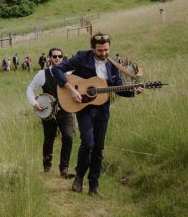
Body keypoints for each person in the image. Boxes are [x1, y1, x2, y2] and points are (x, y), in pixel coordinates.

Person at [53, 33, 143, 195]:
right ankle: (79, 176)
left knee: (98, 148)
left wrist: (133, 92)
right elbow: (57, 69)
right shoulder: (82, 57)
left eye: (106, 50)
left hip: (103, 109)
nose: (104, 54)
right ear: (93, 48)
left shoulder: (113, 65)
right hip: (84, 106)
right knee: (88, 143)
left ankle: (94, 186)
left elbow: (118, 87)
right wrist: (71, 89)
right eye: (100, 50)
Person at [26, 48, 75, 179]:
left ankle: (64, 169)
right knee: (49, 139)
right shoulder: (42, 74)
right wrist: (34, 103)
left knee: (68, 137)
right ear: (49, 58)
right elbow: (30, 88)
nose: (57, 58)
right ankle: (47, 167)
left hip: (66, 111)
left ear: (63, 57)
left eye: (60, 56)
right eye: (54, 56)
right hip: (48, 112)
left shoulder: (69, 73)